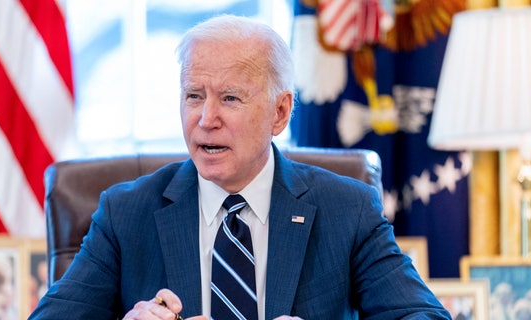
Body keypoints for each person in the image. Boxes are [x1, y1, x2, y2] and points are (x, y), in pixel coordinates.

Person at [29, 14, 450, 319]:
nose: (205, 118)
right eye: (194, 95)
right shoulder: (125, 213)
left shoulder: (348, 209)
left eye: (229, 98)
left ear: (280, 113)